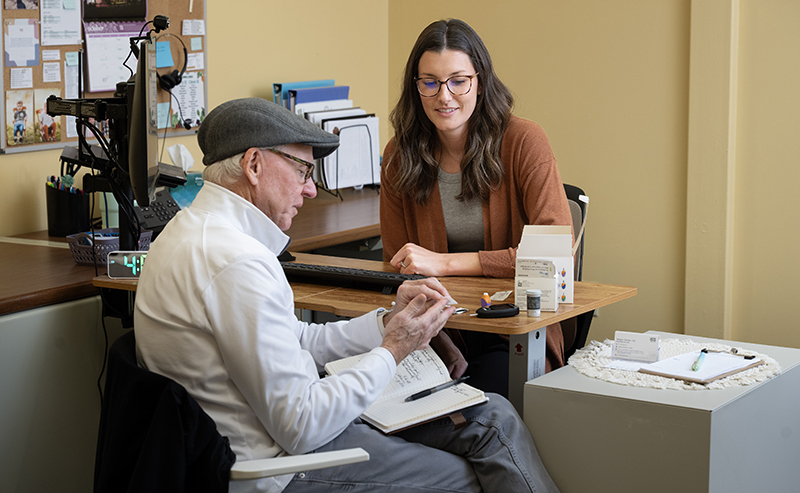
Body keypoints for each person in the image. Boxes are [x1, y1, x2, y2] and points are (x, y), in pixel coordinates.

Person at [133, 97, 558, 493]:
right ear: (254, 165)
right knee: (469, 477)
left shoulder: (191, 232)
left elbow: (294, 340)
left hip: (282, 433)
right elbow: (300, 426)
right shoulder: (235, 260)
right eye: (302, 171)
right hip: (278, 467)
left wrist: (385, 326)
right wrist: (393, 351)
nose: (310, 189)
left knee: (493, 417)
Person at [380, 19, 573, 396]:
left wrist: (446, 262)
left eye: (458, 80)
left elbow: (556, 253)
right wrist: (434, 338)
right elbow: (399, 264)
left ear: (480, 81)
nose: (444, 96)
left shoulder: (523, 141)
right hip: (437, 328)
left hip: (512, 329)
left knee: (476, 412)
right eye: (430, 82)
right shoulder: (398, 156)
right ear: (415, 87)